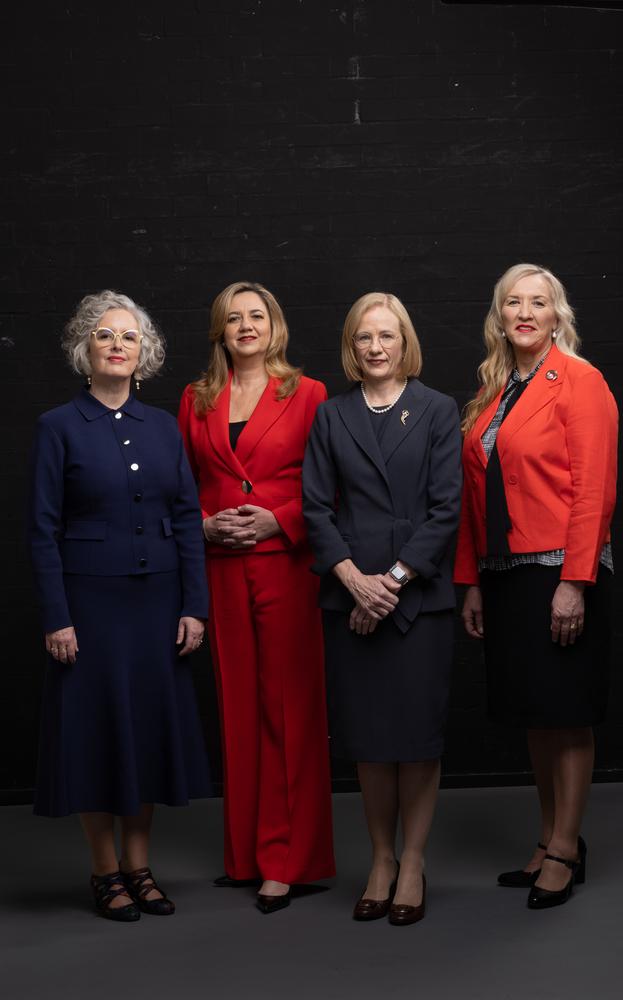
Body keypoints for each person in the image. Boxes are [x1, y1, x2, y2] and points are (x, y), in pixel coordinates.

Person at [29, 291, 213, 922]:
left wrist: (195, 605)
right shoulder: (58, 426)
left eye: (128, 337)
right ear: (87, 350)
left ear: (144, 354)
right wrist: (57, 615)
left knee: (147, 735)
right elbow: (41, 529)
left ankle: (140, 866)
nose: (117, 344)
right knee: (97, 735)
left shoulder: (162, 427)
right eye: (104, 335)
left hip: (158, 604)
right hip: (89, 606)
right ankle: (105, 871)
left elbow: (187, 518)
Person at [454, 263, 618, 910]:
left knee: (567, 712)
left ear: (557, 315)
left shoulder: (581, 382)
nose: (525, 312)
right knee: (535, 715)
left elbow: (594, 490)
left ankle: (567, 848)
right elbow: (474, 499)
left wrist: (575, 582)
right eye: (513, 303)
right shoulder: (494, 392)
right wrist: (470, 583)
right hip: (505, 576)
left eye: (539, 302)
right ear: (500, 316)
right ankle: (550, 839)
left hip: (559, 573)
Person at [302, 292, 462, 926]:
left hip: (417, 599)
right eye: (364, 337)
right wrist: (352, 581)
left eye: (387, 337)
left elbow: (446, 509)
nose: (375, 347)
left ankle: (414, 862)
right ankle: (380, 860)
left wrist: (388, 583)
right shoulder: (330, 415)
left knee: (417, 741)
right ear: (352, 344)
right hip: (350, 597)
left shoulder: (437, 410)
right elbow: (315, 506)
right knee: (369, 741)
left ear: (404, 343)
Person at [178, 281, 335, 914]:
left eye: (258, 315)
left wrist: (281, 519)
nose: (247, 326)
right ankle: (245, 854)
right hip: (222, 565)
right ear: (219, 330)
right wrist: (203, 524)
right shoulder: (195, 400)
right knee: (237, 708)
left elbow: (334, 487)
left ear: (276, 325)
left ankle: (288, 860)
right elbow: (179, 487)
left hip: (288, 566)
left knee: (289, 711)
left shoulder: (310, 393)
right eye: (234, 318)